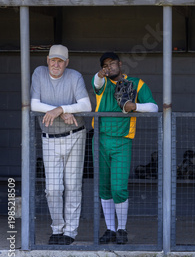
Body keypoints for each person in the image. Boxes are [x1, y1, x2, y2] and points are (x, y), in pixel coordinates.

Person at [93, 52, 158, 244]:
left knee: (118, 187)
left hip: (122, 140)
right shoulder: (102, 81)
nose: (109, 67)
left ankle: (122, 229)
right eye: (105, 65)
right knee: (104, 187)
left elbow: (154, 107)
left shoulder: (136, 83)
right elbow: (96, 82)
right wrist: (100, 74)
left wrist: (134, 106)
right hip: (101, 138)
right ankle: (110, 229)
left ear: (120, 64)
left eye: (112, 63)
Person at [30, 44, 92, 245]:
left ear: (66, 62)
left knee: (73, 186)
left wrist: (62, 109)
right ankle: (57, 228)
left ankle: (70, 232)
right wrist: (60, 111)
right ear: (47, 60)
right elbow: (33, 104)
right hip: (49, 137)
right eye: (52, 60)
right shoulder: (39, 73)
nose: (55, 64)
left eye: (60, 61)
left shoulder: (74, 76)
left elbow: (85, 105)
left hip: (75, 135)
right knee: (53, 189)